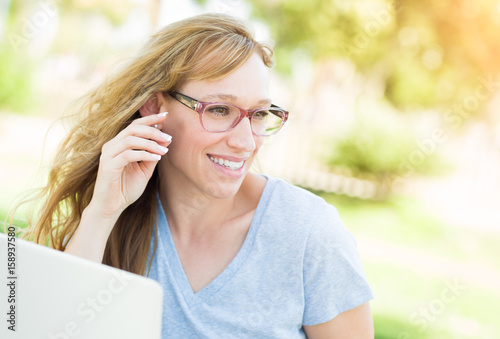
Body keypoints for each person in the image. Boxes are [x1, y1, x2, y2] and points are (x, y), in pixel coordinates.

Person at [12, 13, 374, 338]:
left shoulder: (308, 233)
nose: (246, 141)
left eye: (260, 114)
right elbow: (52, 332)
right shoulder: (118, 221)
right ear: (155, 107)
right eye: (219, 110)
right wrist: (102, 212)